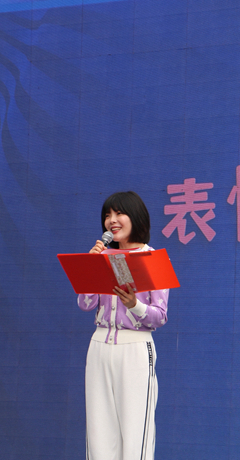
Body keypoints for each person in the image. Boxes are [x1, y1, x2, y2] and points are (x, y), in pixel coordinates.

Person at [78, 191, 169, 460]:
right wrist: (90, 267)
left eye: (119, 214)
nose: (112, 220)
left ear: (136, 217)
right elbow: (85, 304)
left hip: (134, 348)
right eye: (108, 215)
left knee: (135, 431)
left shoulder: (154, 258)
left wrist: (134, 305)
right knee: (99, 431)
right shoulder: (102, 255)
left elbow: (160, 316)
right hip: (99, 345)